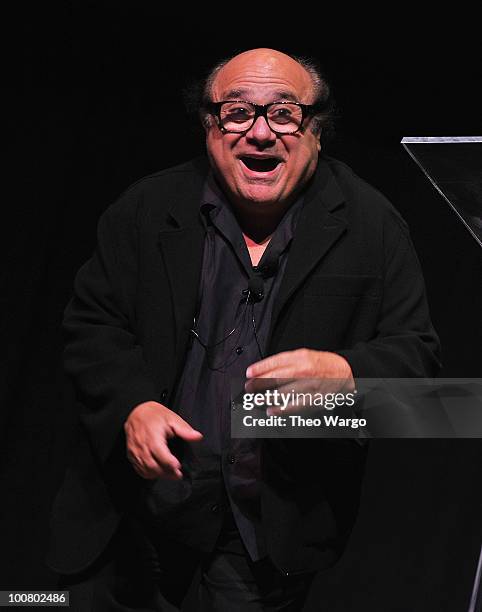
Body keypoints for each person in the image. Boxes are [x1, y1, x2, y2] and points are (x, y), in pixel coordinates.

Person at [47, 48, 441, 610]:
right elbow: (92, 327)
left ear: (317, 130)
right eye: (237, 112)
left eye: (284, 113)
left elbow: (421, 369)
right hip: (129, 518)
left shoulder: (373, 226)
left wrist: (347, 372)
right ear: (210, 126)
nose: (260, 132)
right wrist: (130, 406)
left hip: (262, 536)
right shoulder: (146, 208)